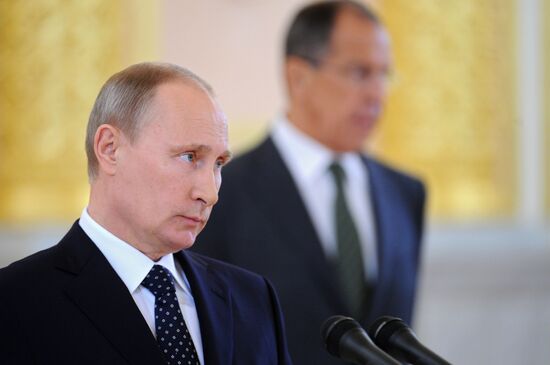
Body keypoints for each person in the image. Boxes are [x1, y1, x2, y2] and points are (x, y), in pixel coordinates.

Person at [0, 62, 292, 365]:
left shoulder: (252, 298)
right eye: (189, 157)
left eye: (218, 163)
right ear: (110, 149)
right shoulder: (15, 302)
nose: (210, 192)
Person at [192, 1, 426, 364]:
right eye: (360, 73)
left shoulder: (406, 193)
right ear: (298, 76)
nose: (377, 94)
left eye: (384, 75)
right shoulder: (223, 191)